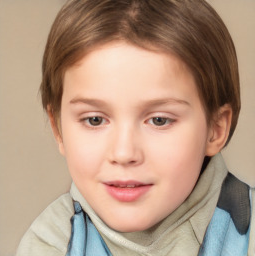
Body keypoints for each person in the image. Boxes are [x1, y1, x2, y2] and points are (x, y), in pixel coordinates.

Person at [16, 0, 255, 255]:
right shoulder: (52, 243)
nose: (124, 153)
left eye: (159, 120)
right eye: (95, 120)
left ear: (216, 129)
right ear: (58, 129)